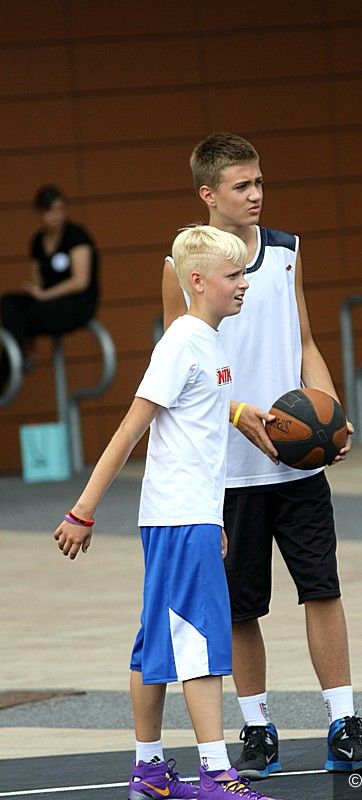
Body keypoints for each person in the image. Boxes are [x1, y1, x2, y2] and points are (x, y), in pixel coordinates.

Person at [162, 134, 362, 779]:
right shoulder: (182, 265)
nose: (256, 193)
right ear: (208, 194)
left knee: (323, 588)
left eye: (260, 181)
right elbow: (180, 361)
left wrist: (331, 411)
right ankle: (258, 728)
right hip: (229, 470)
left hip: (297, 462)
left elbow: (306, 342)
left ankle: (344, 723)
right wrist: (236, 412)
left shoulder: (287, 251)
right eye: (242, 185)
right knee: (241, 608)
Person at [53, 225, 285, 800]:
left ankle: (150, 771)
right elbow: (131, 429)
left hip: (188, 517)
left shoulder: (209, 342)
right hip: (179, 519)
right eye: (233, 275)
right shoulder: (182, 342)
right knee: (201, 642)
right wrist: (83, 511)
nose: (243, 284)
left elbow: (198, 433)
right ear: (197, 282)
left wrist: (216, 517)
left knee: (155, 644)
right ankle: (216, 772)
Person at [0, 185, 99, 392]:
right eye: (49, 211)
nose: (55, 216)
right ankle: (20, 354)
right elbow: (38, 282)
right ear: (40, 213)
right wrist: (38, 293)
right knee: (9, 303)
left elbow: (80, 281)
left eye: (59, 209)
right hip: (49, 301)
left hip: (76, 303)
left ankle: (10, 364)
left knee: (26, 315)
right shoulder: (38, 241)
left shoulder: (76, 236)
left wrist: (45, 295)